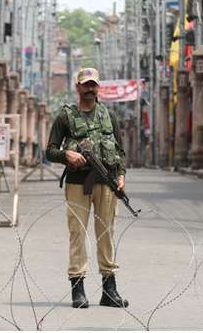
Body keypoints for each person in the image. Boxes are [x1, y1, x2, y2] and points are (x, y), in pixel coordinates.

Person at [46, 67, 129, 309]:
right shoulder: (65, 116)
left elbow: (120, 151)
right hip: (76, 182)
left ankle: (109, 290)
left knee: (106, 234)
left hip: (107, 182)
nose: (90, 89)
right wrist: (66, 155)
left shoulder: (108, 115)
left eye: (94, 84)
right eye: (86, 84)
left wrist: (121, 176)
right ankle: (77, 288)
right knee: (78, 233)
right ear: (78, 87)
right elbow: (50, 150)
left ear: (98, 87)